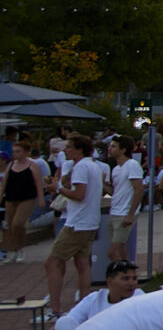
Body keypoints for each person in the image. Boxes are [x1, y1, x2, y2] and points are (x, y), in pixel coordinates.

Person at [47, 134, 105, 319]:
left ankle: (55, 309)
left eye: (69, 147)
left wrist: (58, 189)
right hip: (89, 221)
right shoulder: (93, 166)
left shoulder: (80, 167)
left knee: (52, 263)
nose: (66, 150)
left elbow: (79, 194)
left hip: (77, 223)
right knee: (82, 263)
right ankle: (84, 306)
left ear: (79, 149)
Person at [52, 260, 141, 330]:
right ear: (110, 282)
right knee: (64, 322)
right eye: (125, 279)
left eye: (134, 278)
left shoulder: (140, 298)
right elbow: (70, 319)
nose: (132, 283)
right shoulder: (95, 298)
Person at [2, 135, 47, 263]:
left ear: (26, 152)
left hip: (27, 198)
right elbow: (4, 183)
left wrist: (41, 199)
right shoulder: (11, 165)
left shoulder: (32, 165)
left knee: (18, 223)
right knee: (10, 226)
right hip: (11, 198)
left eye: (18, 151)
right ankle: (12, 251)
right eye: (14, 151)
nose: (15, 154)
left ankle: (19, 248)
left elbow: (39, 183)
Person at [103, 135, 144, 265]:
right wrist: (103, 183)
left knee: (112, 252)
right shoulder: (115, 169)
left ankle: (121, 275)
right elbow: (115, 192)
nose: (110, 149)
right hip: (115, 211)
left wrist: (131, 214)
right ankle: (128, 271)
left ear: (123, 150)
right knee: (120, 248)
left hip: (124, 212)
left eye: (114, 146)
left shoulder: (132, 165)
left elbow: (138, 189)